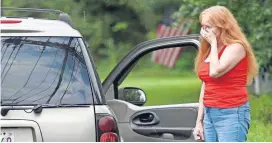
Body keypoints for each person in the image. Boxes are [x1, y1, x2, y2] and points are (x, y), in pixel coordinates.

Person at [193, 6, 258, 142]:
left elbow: (215, 72)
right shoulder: (211, 49)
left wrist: (213, 43)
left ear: (222, 26)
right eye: (203, 26)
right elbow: (206, 84)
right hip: (210, 113)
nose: (204, 31)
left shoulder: (236, 47)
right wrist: (199, 121)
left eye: (208, 27)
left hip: (231, 112)